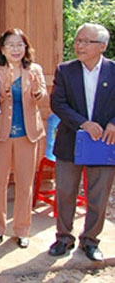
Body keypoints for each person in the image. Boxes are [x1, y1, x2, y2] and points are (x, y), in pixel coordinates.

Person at [48, 22, 115, 262]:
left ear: (102, 46)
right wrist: (83, 123)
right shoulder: (65, 70)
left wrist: (113, 123)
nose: (79, 45)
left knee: (98, 194)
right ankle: (63, 237)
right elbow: (58, 103)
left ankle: (90, 240)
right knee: (65, 192)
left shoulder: (113, 70)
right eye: (77, 40)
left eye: (86, 41)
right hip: (70, 141)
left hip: (103, 143)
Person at [0, 28, 47, 249]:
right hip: (2, 134)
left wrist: (38, 93)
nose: (16, 49)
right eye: (10, 45)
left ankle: (22, 229)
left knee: (25, 184)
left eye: (20, 44)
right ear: (2, 49)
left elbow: (43, 94)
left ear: (26, 48)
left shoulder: (34, 69)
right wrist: (1, 96)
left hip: (27, 134)